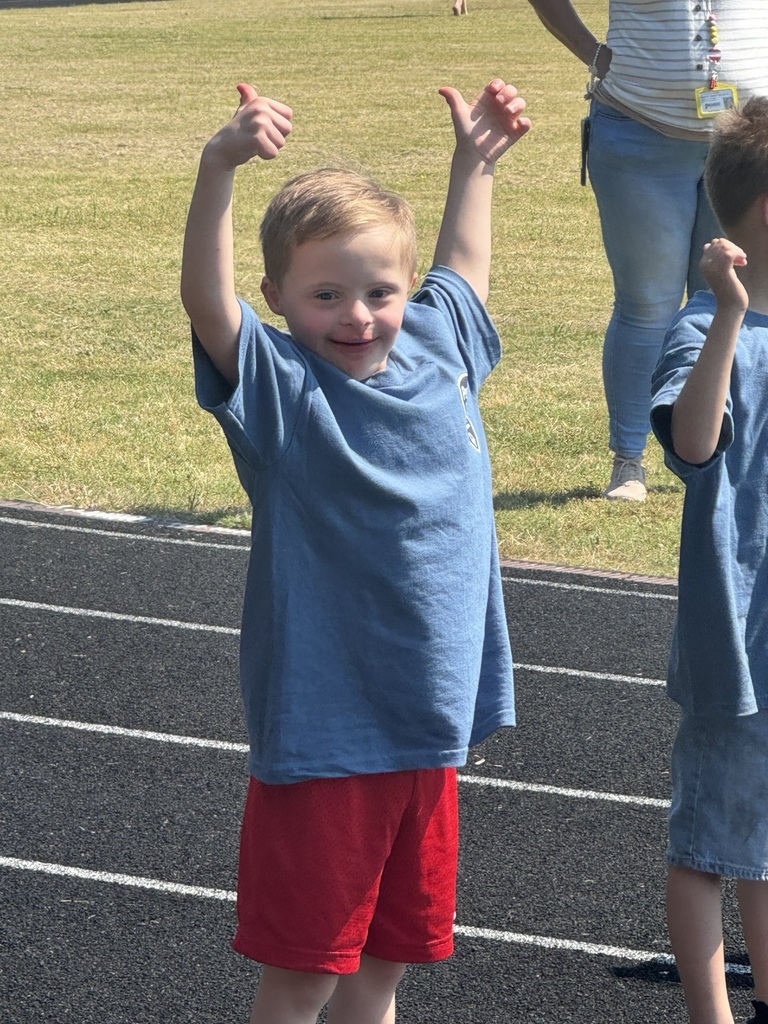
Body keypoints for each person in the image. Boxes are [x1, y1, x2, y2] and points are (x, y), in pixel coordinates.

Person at [180, 77, 530, 1024]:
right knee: (304, 976)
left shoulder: (443, 343)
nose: (359, 315)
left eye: (379, 291)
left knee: (384, 965)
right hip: (330, 740)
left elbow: (465, 265)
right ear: (278, 299)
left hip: (430, 727)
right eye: (325, 295)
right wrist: (219, 169)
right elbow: (206, 304)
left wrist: (474, 167)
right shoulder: (284, 392)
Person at [526, 0, 768, 501]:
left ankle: (726, 452)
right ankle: (629, 461)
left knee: (738, 300)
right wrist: (595, 55)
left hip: (751, 144)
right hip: (639, 127)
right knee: (646, 304)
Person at [650, 96, 768, 1024]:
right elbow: (693, 448)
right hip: (737, 645)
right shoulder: (702, 328)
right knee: (708, 847)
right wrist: (728, 316)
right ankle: (708, 1012)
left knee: (765, 846)